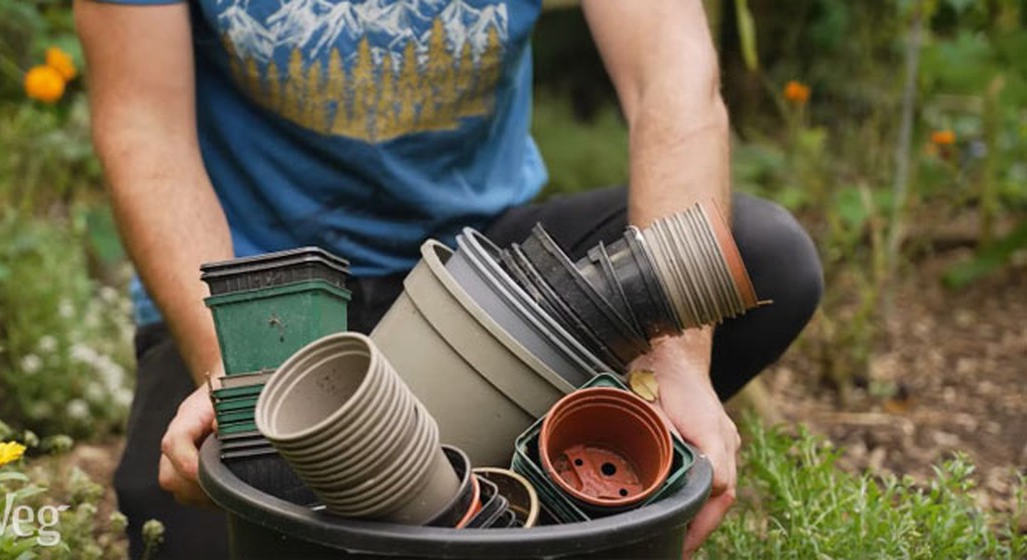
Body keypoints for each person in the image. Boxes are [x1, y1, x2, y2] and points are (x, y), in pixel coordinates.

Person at [75, 0, 823, 557]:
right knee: (186, 517)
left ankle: (516, 494)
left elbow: (673, 74)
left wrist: (678, 363)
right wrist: (235, 375)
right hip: (263, 293)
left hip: (476, 283)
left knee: (764, 254)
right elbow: (144, 122)